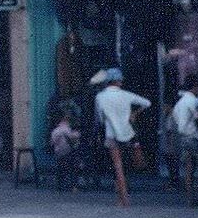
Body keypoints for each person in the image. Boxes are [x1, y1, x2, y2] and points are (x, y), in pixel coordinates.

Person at [93, 68, 149, 208]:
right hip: (128, 133)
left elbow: (99, 118)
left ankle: (123, 198)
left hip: (111, 134)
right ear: (118, 81)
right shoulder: (126, 95)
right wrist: (134, 114)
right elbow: (147, 103)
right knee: (127, 164)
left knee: (117, 166)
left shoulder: (100, 97)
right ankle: (123, 196)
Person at [170, 74, 198, 206]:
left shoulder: (179, 102)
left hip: (183, 138)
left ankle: (190, 198)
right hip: (193, 137)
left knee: (189, 169)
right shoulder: (193, 101)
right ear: (195, 87)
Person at [50, 108, 82, 189]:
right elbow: (75, 138)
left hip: (59, 153)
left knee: (61, 167)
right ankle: (74, 185)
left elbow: (52, 142)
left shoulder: (56, 130)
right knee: (73, 164)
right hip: (68, 153)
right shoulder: (67, 129)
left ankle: (60, 184)